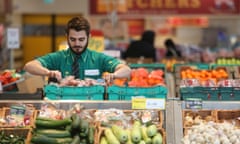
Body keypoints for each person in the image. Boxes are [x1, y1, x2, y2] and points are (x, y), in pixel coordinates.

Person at [23, 16, 131, 83]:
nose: (77, 43)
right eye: (73, 39)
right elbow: (29, 66)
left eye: (81, 39)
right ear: (67, 37)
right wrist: (48, 72)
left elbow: (127, 70)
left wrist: (114, 75)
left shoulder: (98, 58)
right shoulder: (58, 57)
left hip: (91, 105)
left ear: (89, 37)